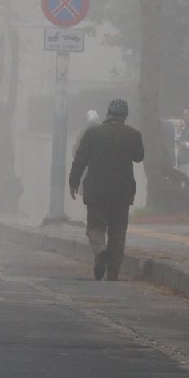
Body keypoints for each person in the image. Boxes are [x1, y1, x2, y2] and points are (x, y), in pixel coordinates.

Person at [69, 98, 145, 281]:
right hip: (123, 191)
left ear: (107, 113)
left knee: (95, 227)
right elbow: (138, 157)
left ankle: (100, 251)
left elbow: (80, 159)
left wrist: (74, 181)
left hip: (97, 190)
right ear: (125, 116)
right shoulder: (133, 134)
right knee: (118, 233)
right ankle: (113, 273)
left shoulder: (93, 133)